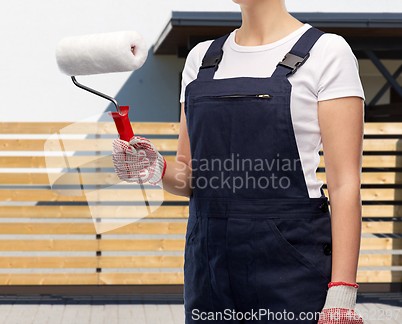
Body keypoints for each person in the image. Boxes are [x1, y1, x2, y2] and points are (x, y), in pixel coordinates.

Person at [112, 0, 365, 323]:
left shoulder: (327, 53)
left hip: (291, 270)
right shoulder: (201, 60)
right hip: (210, 270)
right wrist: (155, 165)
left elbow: (345, 185)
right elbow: (191, 176)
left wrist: (341, 293)